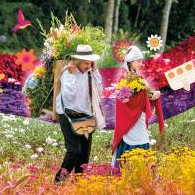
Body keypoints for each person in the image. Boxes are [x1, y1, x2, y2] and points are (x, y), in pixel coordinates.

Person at [55, 44, 104, 184]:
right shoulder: (67, 73)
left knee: (84, 154)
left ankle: (79, 184)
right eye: (86, 63)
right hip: (68, 115)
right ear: (77, 61)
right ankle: (59, 181)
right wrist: (71, 75)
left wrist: (95, 71)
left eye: (90, 63)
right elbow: (69, 97)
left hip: (85, 115)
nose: (88, 65)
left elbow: (99, 91)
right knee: (74, 151)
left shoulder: (90, 73)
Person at [111, 46, 164, 168]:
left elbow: (143, 97)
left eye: (141, 60)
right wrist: (144, 94)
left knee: (143, 139)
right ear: (130, 62)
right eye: (138, 61)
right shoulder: (124, 77)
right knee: (135, 139)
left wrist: (154, 95)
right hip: (129, 118)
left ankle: (141, 170)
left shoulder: (138, 77)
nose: (141, 63)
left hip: (138, 116)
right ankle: (126, 170)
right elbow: (123, 100)